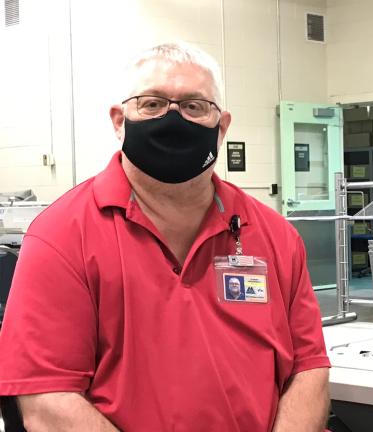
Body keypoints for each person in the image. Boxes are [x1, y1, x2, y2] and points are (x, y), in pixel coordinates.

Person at [0, 43, 330, 431]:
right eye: (152, 103)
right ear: (119, 121)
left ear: (222, 127)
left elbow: (309, 370)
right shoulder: (61, 237)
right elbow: (47, 401)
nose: (173, 119)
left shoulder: (277, 238)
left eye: (194, 106)